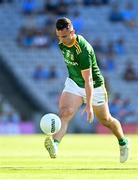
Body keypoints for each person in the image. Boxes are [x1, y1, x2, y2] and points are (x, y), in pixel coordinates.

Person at [44, 17, 129, 163]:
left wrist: (88, 105)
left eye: (65, 36)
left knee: (106, 120)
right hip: (74, 83)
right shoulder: (61, 42)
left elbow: (88, 80)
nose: (62, 40)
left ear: (73, 32)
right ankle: (55, 145)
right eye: (59, 37)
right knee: (65, 113)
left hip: (93, 86)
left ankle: (123, 142)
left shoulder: (82, 49)